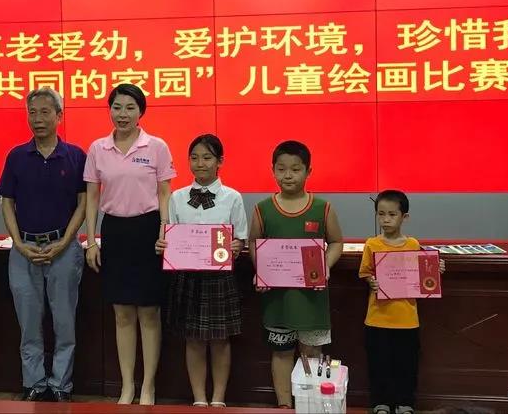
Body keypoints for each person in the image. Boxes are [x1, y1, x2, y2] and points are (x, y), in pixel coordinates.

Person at [84, 83, 175, 405]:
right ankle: (127, 386)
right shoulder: (98, 148)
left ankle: (148, 386)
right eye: (117, 107)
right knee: (122, 312)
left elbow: (165, 193)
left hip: (148, 231)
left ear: (141, 112)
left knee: (149, 312)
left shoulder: (156, 146)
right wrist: (91, 240)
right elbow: (92, 197)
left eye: (130, 108)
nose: (122, 114)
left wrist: (165, 231)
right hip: (115, 232)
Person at [0, 88, 86, 402]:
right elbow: (7, 203)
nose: (38, 119)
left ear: (59, 116)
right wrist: (19, 244)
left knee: (64, 322)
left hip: (64, 249)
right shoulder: (17, 156)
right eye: (32, 112)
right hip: (24, 249)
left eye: (45, 112)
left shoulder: (75, 156)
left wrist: (64, 242)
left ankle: (61, 384)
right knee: (28, 323)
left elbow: (83, 203)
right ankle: (34, 382)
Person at [248, 140, 344, 409]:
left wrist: (325, 266)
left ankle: (310, 405)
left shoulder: (322, 207)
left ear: (308, 171)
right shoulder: (263, 208)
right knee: (281, 352)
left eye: (295, 169)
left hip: (312, 297)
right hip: (277, 297)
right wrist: (261, 271)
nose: (288, 175)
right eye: (281, 169)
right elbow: (254, 243)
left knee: (312, 352)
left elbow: (336, 242)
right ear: (273, 171)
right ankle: (284, 405)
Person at [156, 134, 248, 408]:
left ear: (220, 161)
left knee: (220, 340)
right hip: (187, 277)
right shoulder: (177, 197)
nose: (200, 163)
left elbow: (241, 239)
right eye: (194, 158)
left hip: (220, 278)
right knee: (193, 340)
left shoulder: (232, 197)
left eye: (207, 157)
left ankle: (218, 399)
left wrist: (237, 245)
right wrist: (163, 245)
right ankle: (199, 399)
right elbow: (170, 236)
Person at [358, 189, 446, 414]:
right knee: (379, 364)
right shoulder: (372, 244)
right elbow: (365, 272)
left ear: (404, 217)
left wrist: (436, 268)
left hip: (407, 319)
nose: (385, 220)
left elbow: (424, 273)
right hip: (377, 318)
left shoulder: (413, 244)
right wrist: (371, 281)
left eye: (392, 214)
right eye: (381, 214)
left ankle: (405, 403)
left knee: (406, 365)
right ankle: (380, 403)